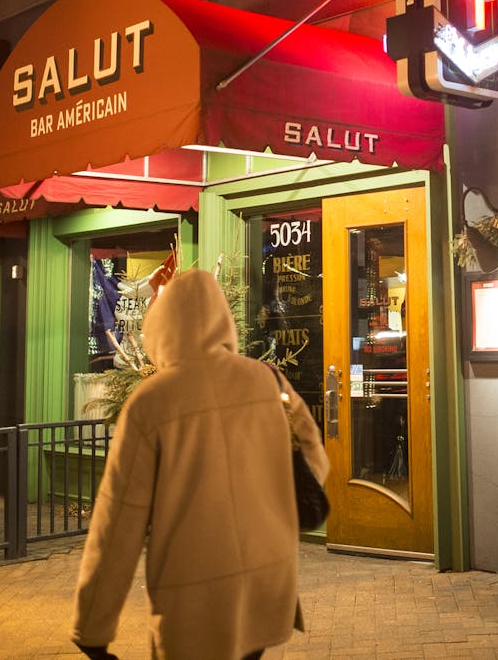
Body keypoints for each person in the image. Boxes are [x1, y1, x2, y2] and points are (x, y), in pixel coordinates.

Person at [72, 268, 328, 660]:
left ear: (162, 326)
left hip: (192, 595)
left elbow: (117, 524)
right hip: (265, 580)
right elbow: (314, 458)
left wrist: (92, 628)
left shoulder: (152, 402)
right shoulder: (267, 380)